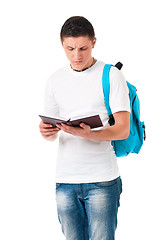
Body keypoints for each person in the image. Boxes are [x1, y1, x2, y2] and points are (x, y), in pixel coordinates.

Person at [39, 16, 130, 240]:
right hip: (65, 180)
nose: (76, 55)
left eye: (83, 48)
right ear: (62, 45)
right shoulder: (55, 80)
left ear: (94, 43)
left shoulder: (111, 75)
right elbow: (52, 132)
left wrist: (90, 134)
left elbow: (123, 130)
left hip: (101, 179)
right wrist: (46, 131)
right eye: (70, 49)